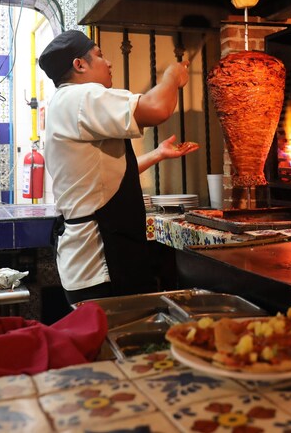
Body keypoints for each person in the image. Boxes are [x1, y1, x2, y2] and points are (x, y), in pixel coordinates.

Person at [39, 29, 198, 304]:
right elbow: (158, 107)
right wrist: (172, 77)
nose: (108, 62)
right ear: (79, 65)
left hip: (87, 266)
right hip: (101, 264)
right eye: (100, 55)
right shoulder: (82, 97)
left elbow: (103, 178)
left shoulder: (63, 104)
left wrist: (157, 154)